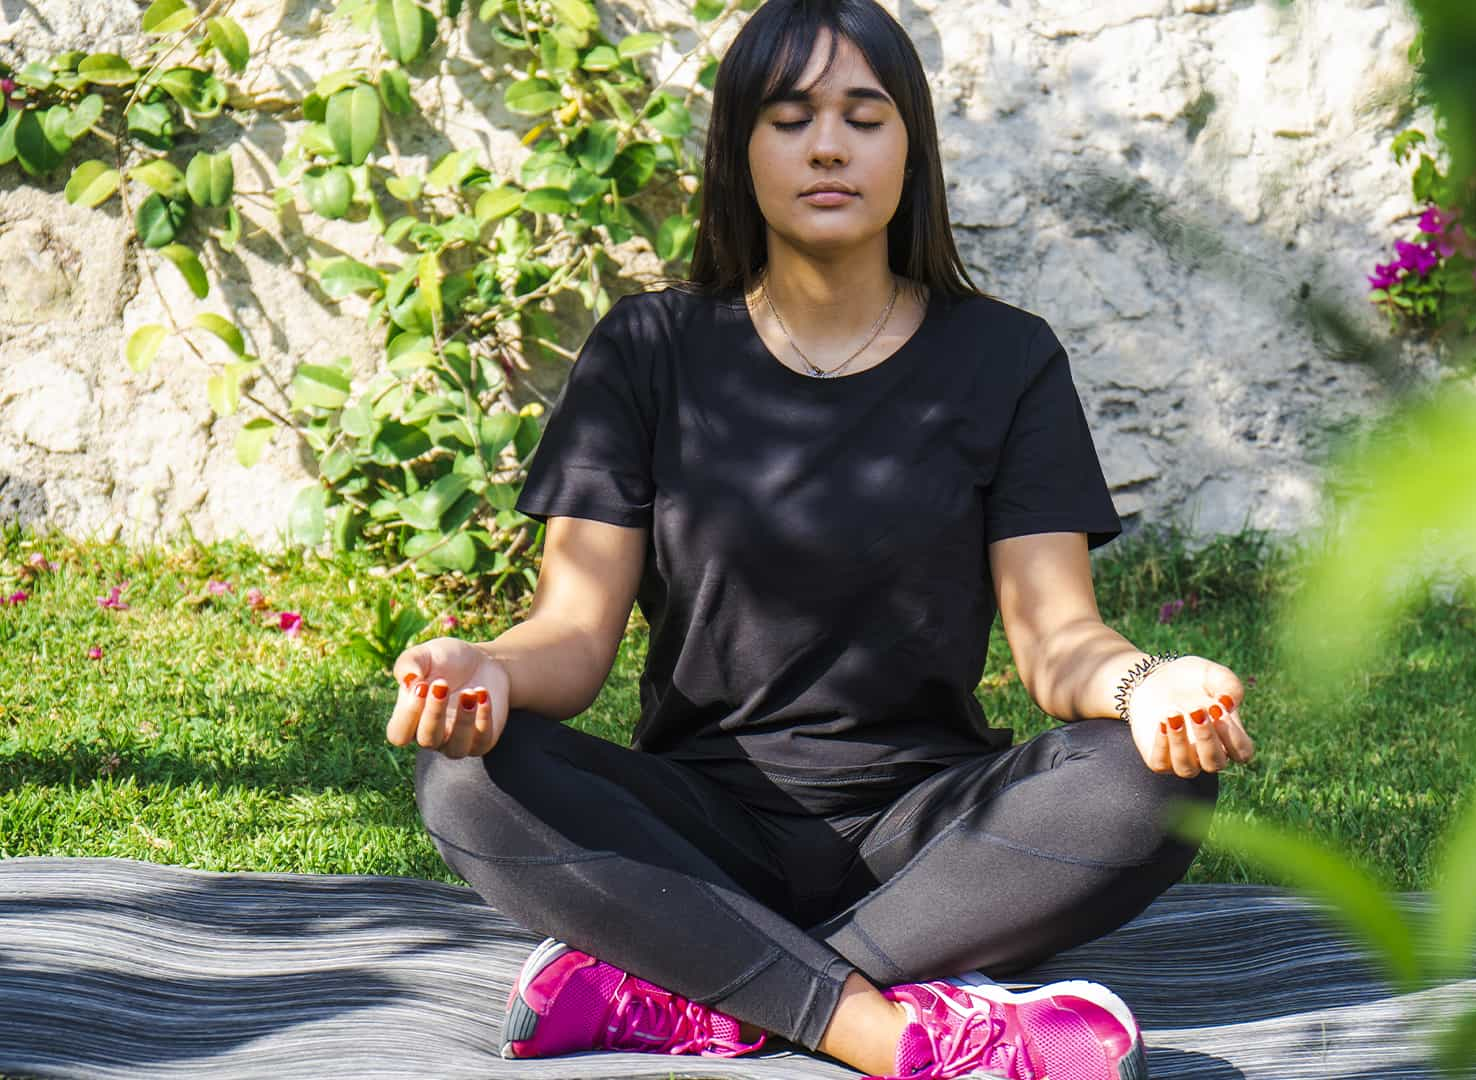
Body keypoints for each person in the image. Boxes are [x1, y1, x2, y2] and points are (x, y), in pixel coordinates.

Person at [385, 2, 1256, 1077]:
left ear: (911, 147)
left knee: (1152, 780)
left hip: (931, 838)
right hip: (699, 832)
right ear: (739, 148)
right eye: (790, 117)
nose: (830, 145)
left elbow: (1057, 640)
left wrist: (1150, 686)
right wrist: (484, 672)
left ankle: (697, 987)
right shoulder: (646, 349)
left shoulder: (1006, 359)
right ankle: (895, 1033)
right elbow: (570, 632)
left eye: (865, 115)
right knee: (467, 776)